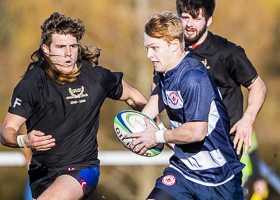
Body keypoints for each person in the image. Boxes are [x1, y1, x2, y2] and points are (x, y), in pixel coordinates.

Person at [0, 12, 148, 200]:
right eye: (61, 47)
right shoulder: (31, 84)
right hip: (42, 175)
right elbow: (7, 131)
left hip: (83, 168)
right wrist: (24, 140)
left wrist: (155, 127)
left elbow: (133, 96)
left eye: (73, 46)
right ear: (46, 49)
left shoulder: (96, 77)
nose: (68, 54)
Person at [126, 11, 245, 199]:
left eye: (154, 48)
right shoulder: (167, 71)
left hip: (218, 179)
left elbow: (197, 132)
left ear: (174, 45)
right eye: (146, 48)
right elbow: (162, 93)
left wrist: (157, 136)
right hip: (183, 171)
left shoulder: (193, 77)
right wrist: (142, 123)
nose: (149, 55)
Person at [152, 0, 266, 158]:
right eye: (185, 17)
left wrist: (248, 119)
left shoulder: (227, 51)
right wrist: (161, 129)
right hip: (187, 148)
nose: (190, 24)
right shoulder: (170, 51)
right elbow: (158, 90)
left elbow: (258, 87)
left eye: (196, 18)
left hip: (224, 149)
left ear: (209, 20)